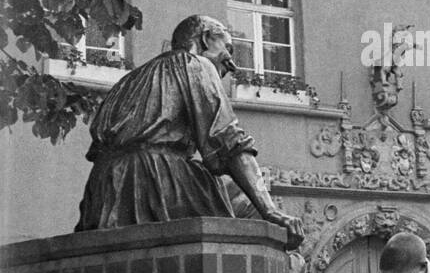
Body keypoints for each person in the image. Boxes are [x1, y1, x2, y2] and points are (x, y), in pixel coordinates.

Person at [76, 14, 304, 244]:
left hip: (103, 191)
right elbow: (228, 140)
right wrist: (270, 211)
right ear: (205, 39)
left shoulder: (126, 82)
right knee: (250, 216)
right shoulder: (194, 64)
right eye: (228, 49)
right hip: (155, 179)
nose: (232, 64)